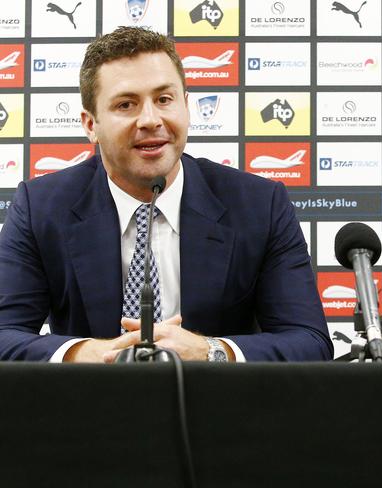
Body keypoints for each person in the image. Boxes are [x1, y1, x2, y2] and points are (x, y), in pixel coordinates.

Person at [0, 27, 333, 362]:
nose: (150, 119)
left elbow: (309, 342)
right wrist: (90, 354)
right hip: (90, 409)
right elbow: (4, 334)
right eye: (126, 104)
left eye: (164, 99)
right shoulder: (40, 206)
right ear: (90, 124)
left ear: (186, 106)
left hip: (218, 410)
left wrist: (210, 351)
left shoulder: (260, 205)